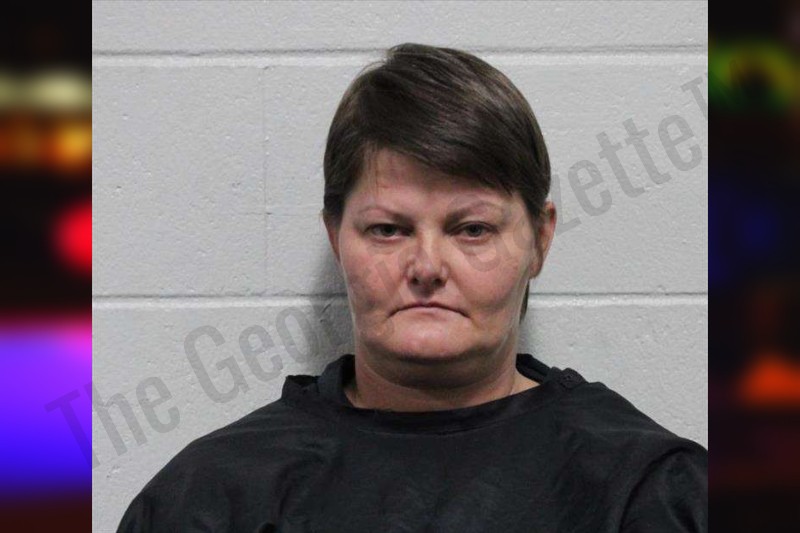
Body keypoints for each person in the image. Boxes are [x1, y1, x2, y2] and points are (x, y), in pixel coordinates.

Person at [118, 43, 707, 532]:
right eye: (388, 230)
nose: (427, 266)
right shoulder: (212, 500)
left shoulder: (649, 490)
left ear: (540, 240)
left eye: (472, 229)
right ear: (336, 237)